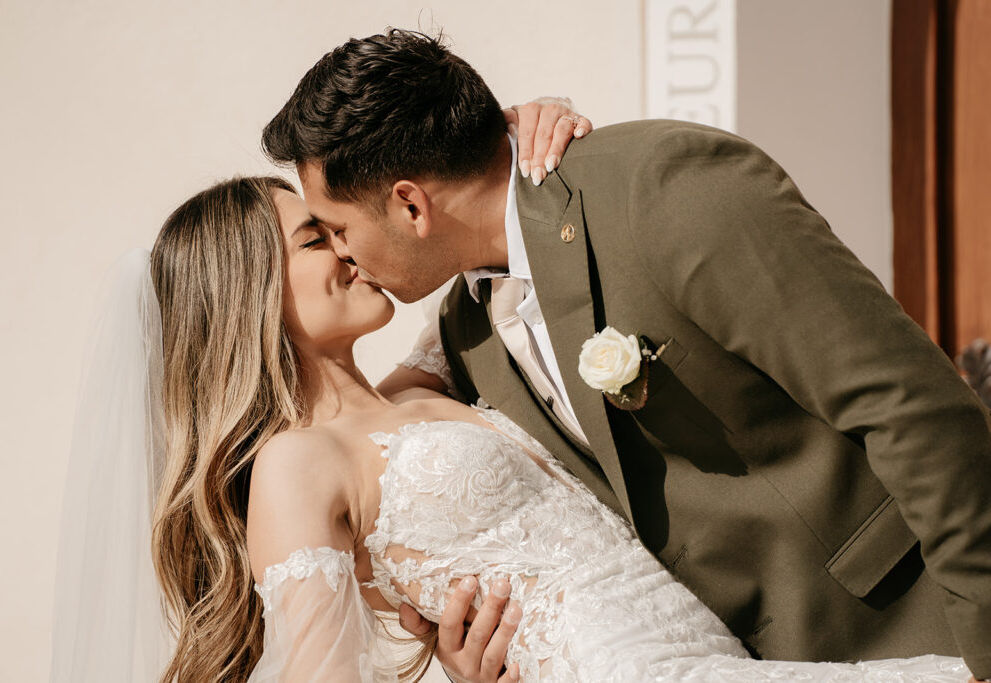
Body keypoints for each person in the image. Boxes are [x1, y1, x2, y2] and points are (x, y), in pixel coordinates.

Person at [259, 29, 991, 682]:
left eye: (336, 227)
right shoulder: (466, 331)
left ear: (412, 205)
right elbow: (370, 446)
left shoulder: (665, 189)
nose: (345, 255)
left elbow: (915, 410)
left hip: (915, 624)